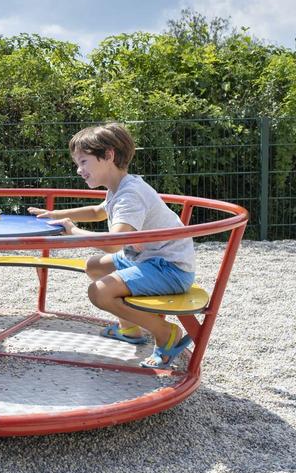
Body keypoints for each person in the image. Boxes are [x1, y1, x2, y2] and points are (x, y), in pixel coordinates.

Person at [28, 123, 196, 369]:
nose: (78, 170)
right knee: (95, 267)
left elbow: (112, 244)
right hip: (148, 259)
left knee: (99, 291)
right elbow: (98, 212)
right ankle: (130, 330)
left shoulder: (130, 195)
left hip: (169, 269)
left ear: (108, 155)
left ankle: (166, 333)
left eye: (84, 162)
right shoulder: (119, 187)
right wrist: (55, 214)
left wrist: (71, 229)